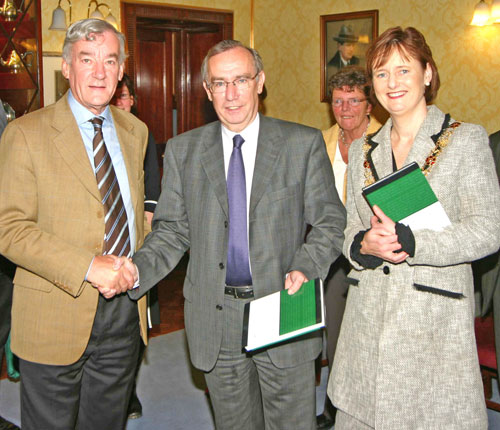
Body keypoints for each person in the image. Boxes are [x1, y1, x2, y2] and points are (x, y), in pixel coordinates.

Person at [124, 39, 346, 430]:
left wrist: (307, 265)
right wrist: (135, 271)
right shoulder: (183, 150)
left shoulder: (301, 144)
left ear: (260, 81)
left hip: (284, 304)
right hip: (216, 316)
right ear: (207, 91)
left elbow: (330, 219)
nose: (231, 94)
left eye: (241, 80)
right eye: (220, 83)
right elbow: (172, 231)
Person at [327, 26, 500, 429]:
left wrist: (413, 241)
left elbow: (488, 229)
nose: (392, 83)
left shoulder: (464, 141)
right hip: (368, 320)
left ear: (427, 74)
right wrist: (362, 245)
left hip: (432, 322)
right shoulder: (364, 151)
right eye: (382, 73)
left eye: (404, 70)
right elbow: (349, 224)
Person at [0, 18, 148, 430]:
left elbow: (136, 220)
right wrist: (88, 265)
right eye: (87, 59)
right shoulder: (24, 133)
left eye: (110, 60)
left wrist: (141, 264)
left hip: (124, 313)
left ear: (121, 71)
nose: (99, 71)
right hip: (53, 311)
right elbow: (8, 228)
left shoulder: (136, 132)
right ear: (66, 67)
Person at [317, 66, 381, 430]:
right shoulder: (322, 141)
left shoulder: (385, 140)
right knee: (333, 335)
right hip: (330, 251)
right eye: (338, 101)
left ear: (369, 104)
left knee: (363, 337)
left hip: (369, 251)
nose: (345, 109)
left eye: (353, 100)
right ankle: (334, 411)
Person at [112, 73, 161, 420]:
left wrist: (147, 218)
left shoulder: (141, 134)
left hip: (137, 243)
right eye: (118, 98)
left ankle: (128, 391)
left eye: (126, 97)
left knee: (135, 325)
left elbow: (153, 187)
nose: (123, 103)